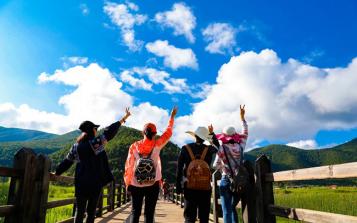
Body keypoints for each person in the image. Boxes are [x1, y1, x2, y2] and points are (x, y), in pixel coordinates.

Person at [55, 108, 131, 223]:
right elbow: (109, 132)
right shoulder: (96, 143)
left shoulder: (76, 146)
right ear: (92, 130)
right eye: (96, 128)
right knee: (91, 212)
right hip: (95, 183)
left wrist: (56, 173)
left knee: (79, 211)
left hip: (81, 182)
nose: (97, 130)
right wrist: (123, 119)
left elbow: (67, 161)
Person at [124, 106, 178, 223]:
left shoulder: (134, 146)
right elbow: (168, 133)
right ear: (155, 133)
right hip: (153, 183)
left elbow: (129, 165)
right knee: (149, 213)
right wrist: (172, 117)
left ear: (143, 132)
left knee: (135, 212)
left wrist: (128, 183)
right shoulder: (157, 144)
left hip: (136, 183)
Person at [176, 124, 220, 223]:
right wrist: (212, 134)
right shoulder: (209, 149)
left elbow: (179, 168)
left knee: (189, 217)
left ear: (195, 136)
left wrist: (178, 185)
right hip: (205, 188)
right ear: (205, 139)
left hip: (189, 187)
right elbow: (218, 147)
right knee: (204, 218)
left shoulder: (185, 148)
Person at [213, 105, 248, 223]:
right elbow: (245, 133)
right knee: (232, 207)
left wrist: (223, 167)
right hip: (239, 180)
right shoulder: (241, 146)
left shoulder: (222, 148)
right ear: (234, 136)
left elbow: (215, 165)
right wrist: (242, 118)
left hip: (226, 179)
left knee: (226, 209)